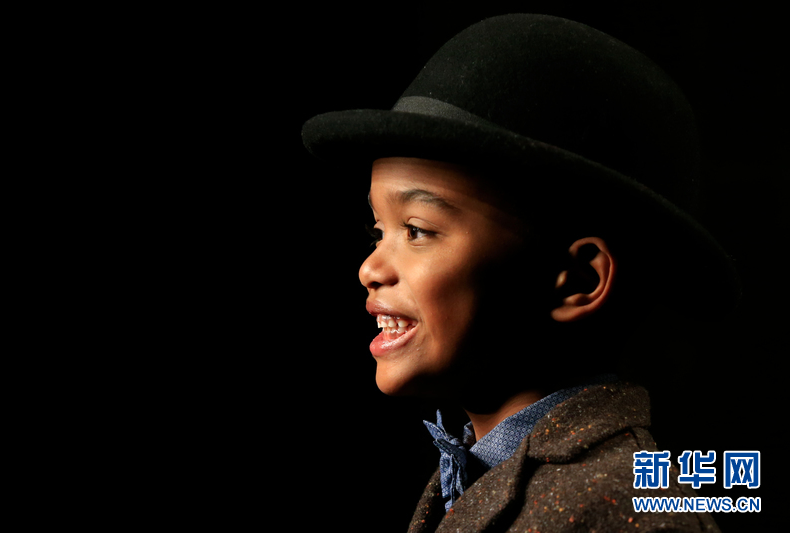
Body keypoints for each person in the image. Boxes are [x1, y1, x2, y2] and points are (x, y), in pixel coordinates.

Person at [302, 14, 737, 533]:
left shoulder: (625, 510)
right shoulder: (476, 473)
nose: (369, 269)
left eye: (417, 230)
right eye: (378, 231)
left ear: (577, 281)